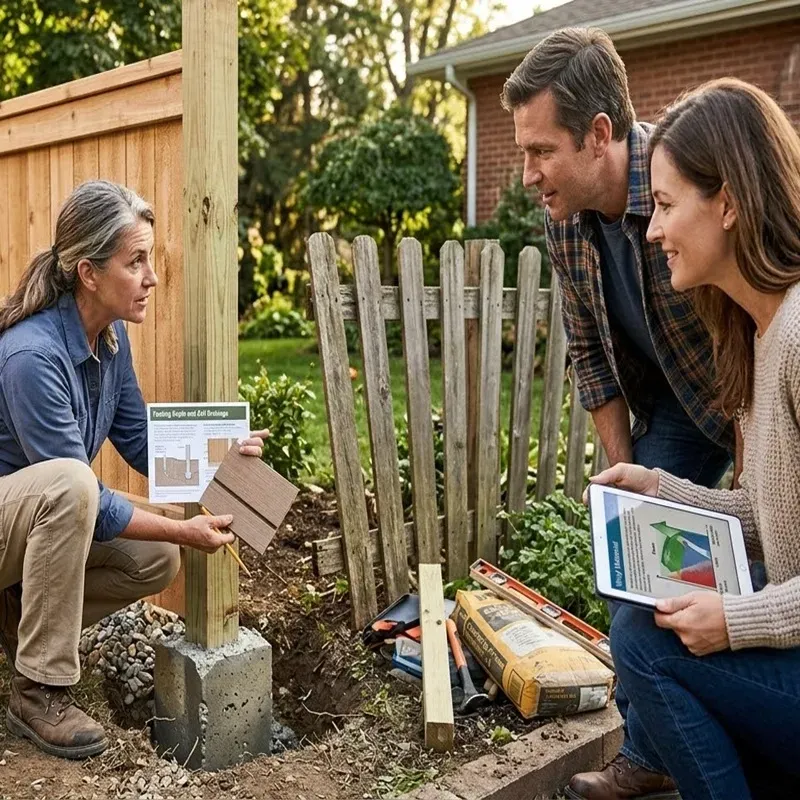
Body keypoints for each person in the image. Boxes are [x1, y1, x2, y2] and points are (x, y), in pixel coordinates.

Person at [501, 28, 735, 799]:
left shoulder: (680, 181)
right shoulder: (563, 213)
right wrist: (616, 476)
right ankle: (652, 752)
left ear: (600, 135)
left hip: (745, 395)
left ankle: (734, 724)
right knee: (630, 564)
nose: (528, 174)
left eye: (541, 151)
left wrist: (756, 462)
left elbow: (750, 329)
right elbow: (587, 351)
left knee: (736, 570)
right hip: (667, 405)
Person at [0, 180, 268, 760]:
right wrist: (184, 527)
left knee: (156, 559)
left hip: (28, 539)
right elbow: (83, 498)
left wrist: (223, 454)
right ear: (88, 273)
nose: (151, 276)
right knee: (73, 486)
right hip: (12, 525)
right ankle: (37, 689)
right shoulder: (31, 356)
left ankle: (17, 620)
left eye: (150, 258)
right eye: (136, 261)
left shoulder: (110, 339)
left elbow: (144, 443)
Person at [585, 78, 800, 799]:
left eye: (668, 206)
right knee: (650, 627)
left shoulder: (799, 339)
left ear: (730, 203)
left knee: (644, 645)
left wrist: (737, 621)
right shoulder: (758, 336)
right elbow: (775, 520)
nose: (651, 230)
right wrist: (661, 489)